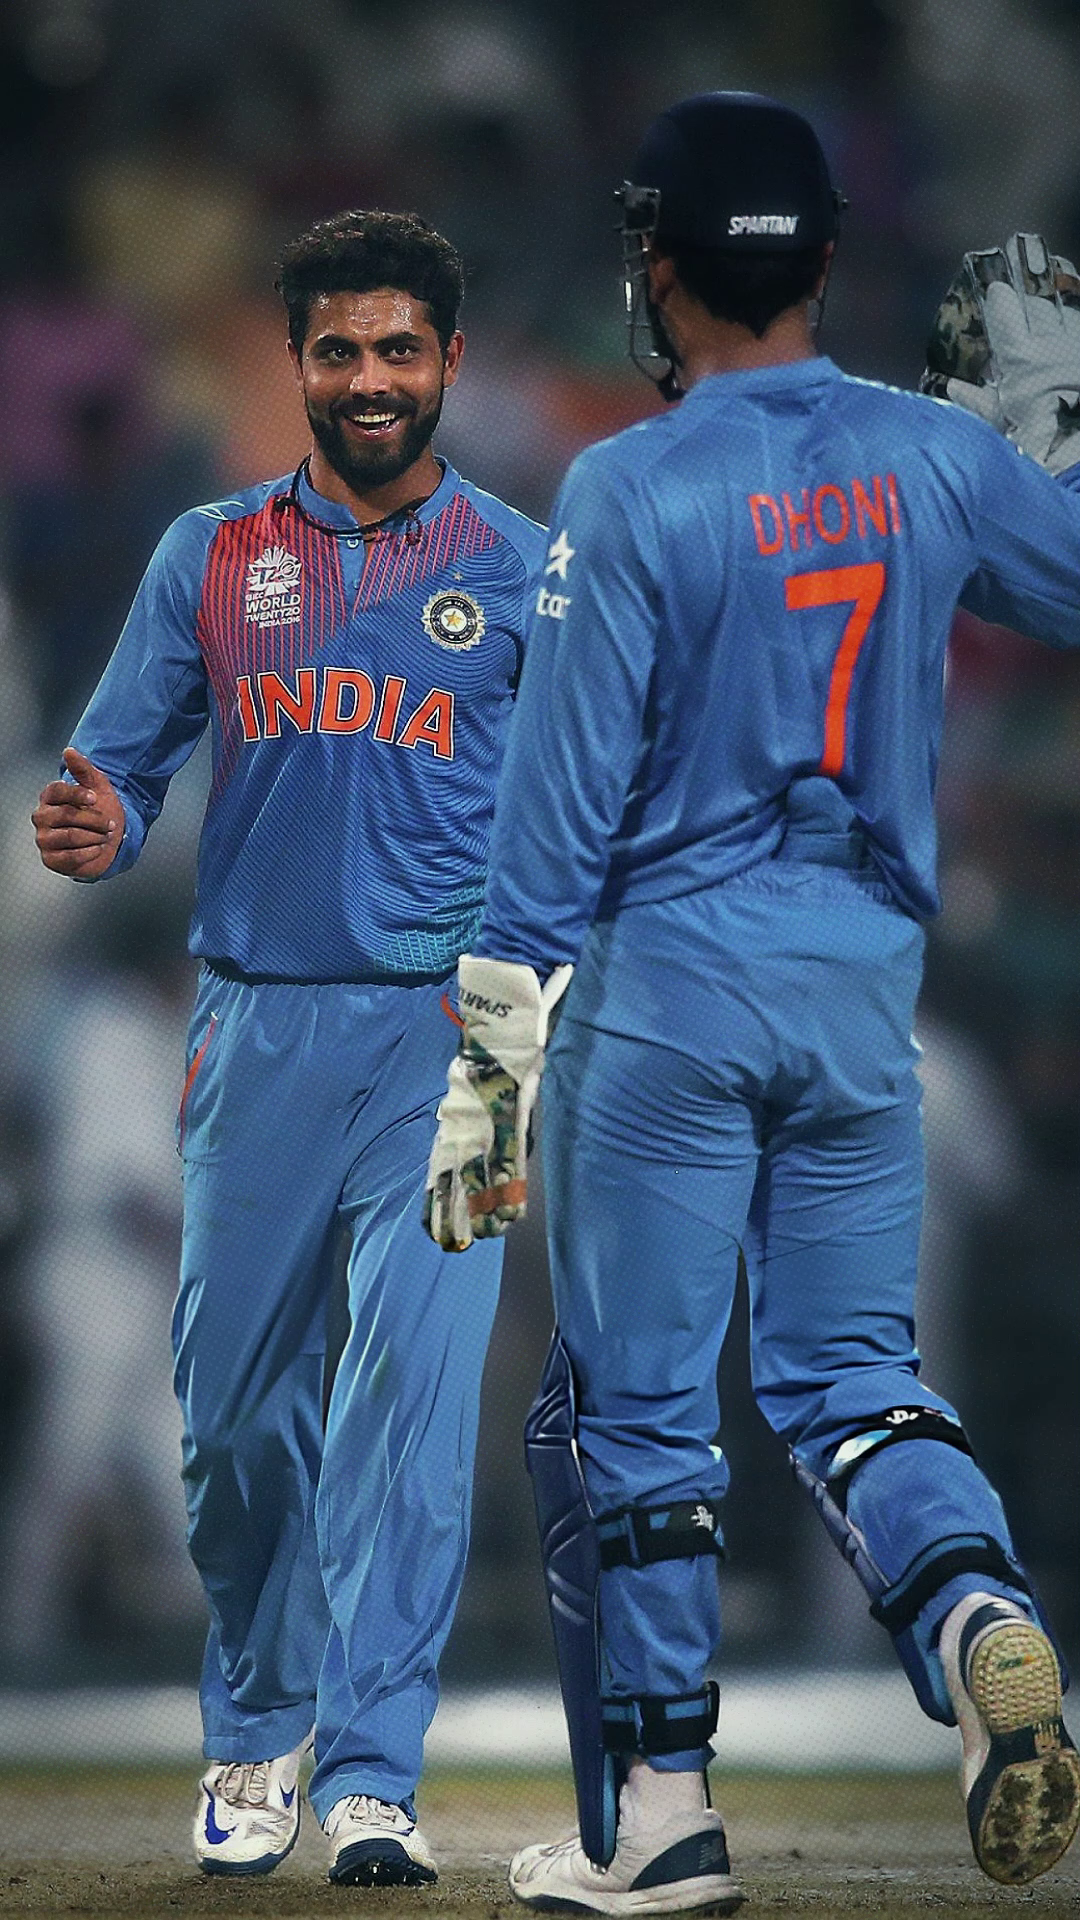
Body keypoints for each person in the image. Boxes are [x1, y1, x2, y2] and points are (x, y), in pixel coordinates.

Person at [425, 93, 1080, 1914]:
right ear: (824, 260)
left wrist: (485, 1093)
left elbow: (552, 828)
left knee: (642, 1412)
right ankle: (976, 1615)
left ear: (659, 267)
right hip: (866, 998)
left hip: (669, 999)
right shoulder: (931, 453)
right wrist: (1050, 415)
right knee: (855, 1377)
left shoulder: (629, 485)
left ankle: (663, 1820)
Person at [32, 209, 546, 1886]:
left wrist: (543, 1003)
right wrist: (96, 824)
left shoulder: (528, 568)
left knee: (416, 1407)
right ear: (298, 364)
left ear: (449, 359)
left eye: (400, 348)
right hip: (254, 1022)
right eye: (340, 350)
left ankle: (374, 1776)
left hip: (471, 1038)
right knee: (235, 1424)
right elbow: (117, 774)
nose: (371, 377)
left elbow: (591, 804)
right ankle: (259, 1727)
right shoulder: (210, 554)